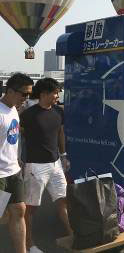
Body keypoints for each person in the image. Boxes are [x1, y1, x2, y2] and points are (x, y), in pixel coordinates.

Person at [20, 78, 72, 253]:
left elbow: (60, 133)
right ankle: (29, 244)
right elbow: (15, 136)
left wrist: (64, 155)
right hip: (35, 167)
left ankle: (73, 234)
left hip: (56, 164)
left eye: (58, 92)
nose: (58, 96)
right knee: (30, 209)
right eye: (55, 93)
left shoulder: (58, 112)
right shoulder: (27, 115)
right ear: (43, 94)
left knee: (64, 200)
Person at [0, 73, 33, 253]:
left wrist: (17, 158)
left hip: (13, 171)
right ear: (10, 91)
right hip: (0, 175)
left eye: (29, 95)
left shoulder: (13, 108)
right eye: (24, 94)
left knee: (19, 210)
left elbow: (12, 139)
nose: (26, 98)